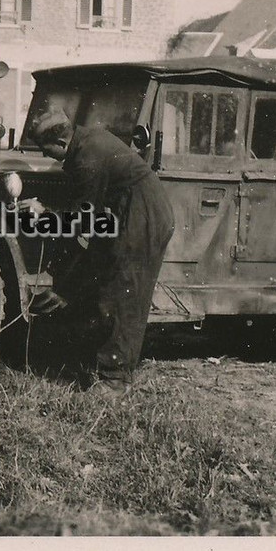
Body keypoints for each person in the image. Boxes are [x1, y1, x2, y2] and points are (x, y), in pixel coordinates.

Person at [23, 108, 176, 394]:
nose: (47, 158)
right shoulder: (86, 140)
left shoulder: (87, 157)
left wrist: (44, 213)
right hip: (128, 209)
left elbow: (82, 220)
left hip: (141, 215)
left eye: (47, 152)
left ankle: (115, 380)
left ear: (61, 144)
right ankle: (95, 360)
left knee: (121, 293)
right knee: (105, 281)